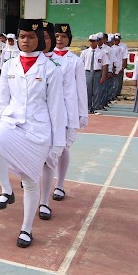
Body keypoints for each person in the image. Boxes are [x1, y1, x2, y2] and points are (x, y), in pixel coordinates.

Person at [0, 18, 64, 248]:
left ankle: (26, 229)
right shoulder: (9, 64)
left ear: (39, 39)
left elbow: (56, 108)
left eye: (31, 37)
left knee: (31, 182)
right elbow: (2, 100)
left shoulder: (51, 68)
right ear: (17, 39)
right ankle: (6, 190)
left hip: (38, 132)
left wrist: (57, 144)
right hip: (12, 124)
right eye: (22, 37)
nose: (26, 41)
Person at [41, 22, 88, 210]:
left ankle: (59, 184)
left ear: (69, 38)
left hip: (67, 109)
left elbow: (80, 89)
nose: (59, 39)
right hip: (46, 108)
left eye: (63, 37)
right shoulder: (43, 58)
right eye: (57, 36)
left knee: (63, 148)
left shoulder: (74, 61)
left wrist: (82, 113)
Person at [80, 34, 108, 114]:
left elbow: (104, 65)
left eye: (94, 41)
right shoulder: (85, 52)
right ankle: (88, 107)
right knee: (87, 90)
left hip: (97, 72)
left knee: (97, 91)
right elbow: (81, 64)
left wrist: (103, 76)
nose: (92, 43)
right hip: (87, 72)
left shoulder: (102, 52)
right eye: (91, 41)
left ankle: (96, 107)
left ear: (97, 42)